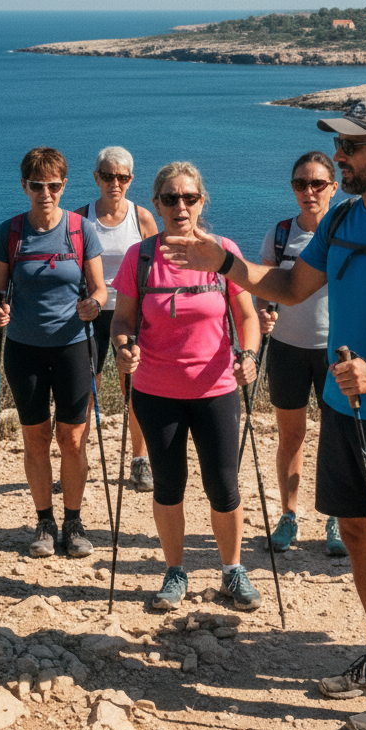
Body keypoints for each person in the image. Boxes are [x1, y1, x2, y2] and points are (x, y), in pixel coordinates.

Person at [162, 100, 366, 730]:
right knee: (356, 531)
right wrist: (220, 263)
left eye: (351, 147)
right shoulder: (343, 220)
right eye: (339, 147)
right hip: (342, 408)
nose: (338, 158)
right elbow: (291, 288)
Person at [110, 162, 262, 613]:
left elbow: (248, 317)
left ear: (202, 202)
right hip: (157, 390)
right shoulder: (140, 258)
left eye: (190, 198)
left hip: (216, 389)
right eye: (170, 199)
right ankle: (174, 571)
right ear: (156, 204)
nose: (181, 206)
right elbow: (123, 318)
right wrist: (123, 345)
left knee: (224, 486)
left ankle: (233, 571)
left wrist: (249, 356)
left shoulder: (222, 252)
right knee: (168, 485)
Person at [0, 147, 107, 559]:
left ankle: (73, 522)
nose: (46, 193)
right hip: (24, 349)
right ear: (24, 186)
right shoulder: (11, 232)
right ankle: (44, 521)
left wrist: (93, 304)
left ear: (64, 186)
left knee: (72, 439)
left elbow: (100, 288)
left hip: (75, 346)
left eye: (54, 185)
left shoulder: (80, 229)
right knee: (35, 437)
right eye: (37, 185)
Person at [256, 150, 346, 556]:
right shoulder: (280, 233)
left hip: (337, 351)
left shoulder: (347, 230)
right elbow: (266, 287)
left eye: (317, 184)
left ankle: (337, 519)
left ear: (334, 187)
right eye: (299, 184)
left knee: (336, 438)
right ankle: (289, 516)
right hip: (288, 348)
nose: (308, 192)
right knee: (291, 437)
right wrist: (263, 313)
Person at [76, 146, 158, 491]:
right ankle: (75, 457)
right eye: (108, 176)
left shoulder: (141, 218)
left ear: (130, 180)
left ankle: (140, 461)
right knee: (84, 388)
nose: (115, 183)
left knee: (134, 388)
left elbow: (157, 268)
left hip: (130, 313)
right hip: (90, 314)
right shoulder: (80, 218)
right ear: (96, 178)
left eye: (122, 177)